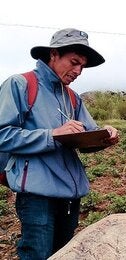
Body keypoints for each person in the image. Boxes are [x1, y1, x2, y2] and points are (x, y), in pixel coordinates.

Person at [0, 28, 119, 259]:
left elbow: (86, 137)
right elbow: (3, 134)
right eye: (74, 62)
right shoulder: (21, 85)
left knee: (63, 254)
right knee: (38, 255)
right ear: (53, 54)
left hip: (69, 195)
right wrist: (52, 135)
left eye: (82, 66)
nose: (78, 71)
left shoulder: (73, 97)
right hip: (37, 195)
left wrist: (104, 137)